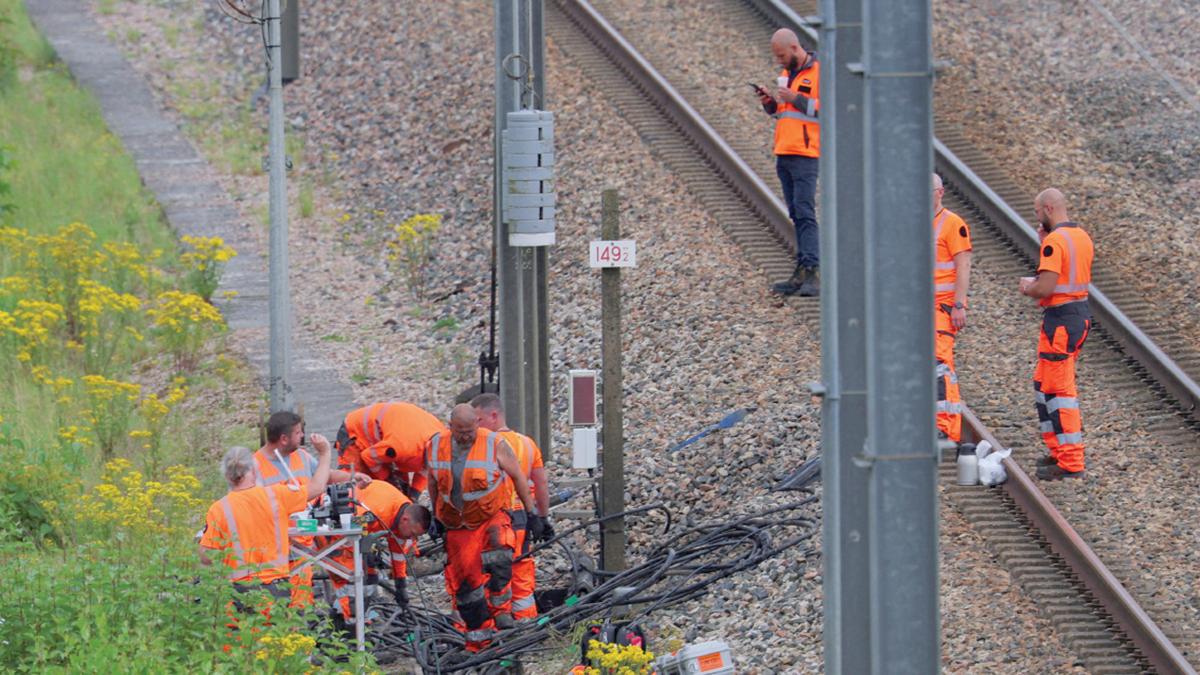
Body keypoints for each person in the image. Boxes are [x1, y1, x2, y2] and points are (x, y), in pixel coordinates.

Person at [426, 404, 535, 651]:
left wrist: (532, 513)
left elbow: (518, 476)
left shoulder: (493, 443)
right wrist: (436, 516)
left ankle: (502, 613)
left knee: (499, 561)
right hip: (457, 524)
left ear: (478, 422)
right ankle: (479, 635)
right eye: (460, 431)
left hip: (490, 516)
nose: (466, 436)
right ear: (450, 426)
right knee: (466, 583)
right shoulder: (435, 446)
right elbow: (433, 483)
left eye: (470, 430)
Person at [252, 410, 370, 606]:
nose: (302, 436)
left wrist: (351, 476)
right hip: (277, 546)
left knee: (301, 595)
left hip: (305, 540)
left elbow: (325, 475)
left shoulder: (302, 456)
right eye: (298, 433)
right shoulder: (255, 466)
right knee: (277, 600)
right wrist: (325, 453)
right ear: (283, 438)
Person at [198, 439, 332, 605]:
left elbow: (206, 556)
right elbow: (317, 487)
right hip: (275, 590)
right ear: (254, 470)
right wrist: (325, 453)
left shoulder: (218, 509)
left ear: (227, 476)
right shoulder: (276, 496)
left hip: (238, 593)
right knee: (276, 631)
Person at [1019, 188, 1093, 480]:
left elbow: (1046, 286)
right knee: (1044, 383)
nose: (1037, 217)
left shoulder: (1055, 242)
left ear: (1048, 208)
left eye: (1037, 212)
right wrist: (1043, 242)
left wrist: (1028, 286)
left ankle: (1071, 461)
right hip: (1076, 315)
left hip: (1061, 320)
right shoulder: (1081, 237)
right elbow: (1068, 274)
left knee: (1059, 391)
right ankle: (1058, 452)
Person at [470, 393, 553, 622]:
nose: (475, 425)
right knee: (521, 573)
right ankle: (525, 625)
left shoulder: (482, 445)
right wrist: (542, 517)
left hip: (495, 522)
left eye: (478, 419)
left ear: (493, 416)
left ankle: (496, 628)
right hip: (523, 519)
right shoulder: (527, 444)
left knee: (492, 575)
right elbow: (541, 483)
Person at [758, 28, 821, 297]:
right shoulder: (787, 75)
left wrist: (794, 98)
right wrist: (771, 103)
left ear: (795, 48)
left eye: (782, 56)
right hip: (785, 151)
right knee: (796, 212)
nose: (780, 61)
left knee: (805, 212)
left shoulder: (820, 73)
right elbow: (784, 114)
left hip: (807, 154)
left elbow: (828, 109)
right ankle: (802, 270)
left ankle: (813, 272)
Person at [322, 479, 431, 625]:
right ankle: (346, 624)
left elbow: (398, 554)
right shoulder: (378, 511)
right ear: (405, 520)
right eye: (412, 534)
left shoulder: (404, 517)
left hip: (357, 527)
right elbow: (349, 526)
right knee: (348, 579)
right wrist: (365, 554)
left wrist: (401, 585)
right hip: (333, 525)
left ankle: (356, 619)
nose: (412, 539)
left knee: (369, 579)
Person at [932, 174, 972, 443]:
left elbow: (963, 265)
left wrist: (959, 304)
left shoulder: (953, 223)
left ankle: (945, 428)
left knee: (940, 365)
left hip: (943, 308)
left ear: (940, 192)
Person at [335, 402, 446, 499]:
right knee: (356, 489)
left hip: (389, 439)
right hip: (355, 434)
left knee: (401, 491)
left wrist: (413, 495)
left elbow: (425, 469)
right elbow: (369, 456)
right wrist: (387, 480)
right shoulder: (402, 447)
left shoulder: (443, 440)